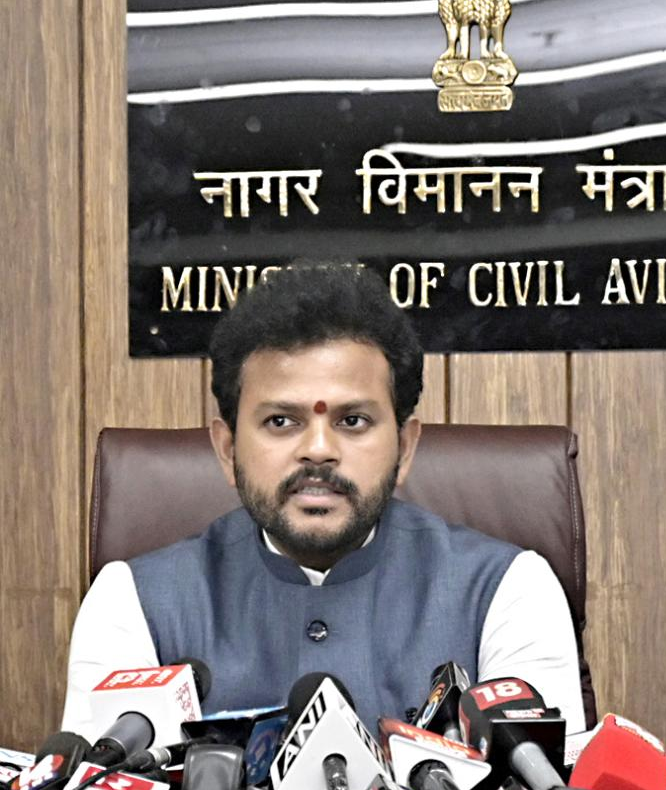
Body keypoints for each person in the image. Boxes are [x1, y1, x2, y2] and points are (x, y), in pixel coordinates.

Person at [62, 264, 587, 740]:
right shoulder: (132, 602)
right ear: (227, 450)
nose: (317, 449)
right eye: (281, 421)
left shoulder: (508, 591)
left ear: (405, 448)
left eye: (352, 421)